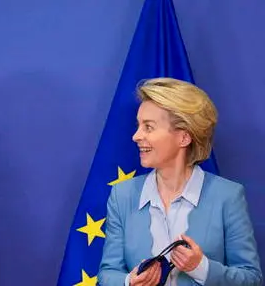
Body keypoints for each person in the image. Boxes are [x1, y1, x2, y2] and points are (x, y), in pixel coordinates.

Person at [98, 78, 262, 286]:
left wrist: (201, 268)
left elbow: (252, 279)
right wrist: (129, 281)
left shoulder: (227, 196)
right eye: (138, 126)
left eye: (148, 127)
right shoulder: (122, 195)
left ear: (184, 138)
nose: (136, 136)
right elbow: (107, 274)